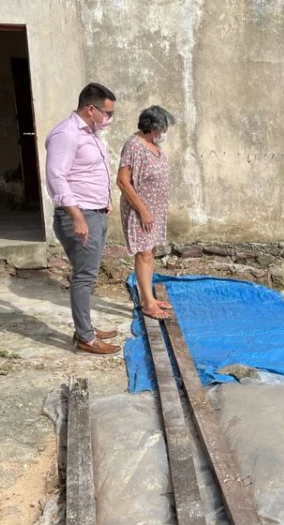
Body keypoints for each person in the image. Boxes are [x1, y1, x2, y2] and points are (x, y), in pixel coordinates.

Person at [45, 83, 121, 355]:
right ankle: (86, 338)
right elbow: (56, 177)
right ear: (91, 109)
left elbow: (90, 172)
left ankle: (85, 327)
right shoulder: (66, 134)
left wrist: (106, 201)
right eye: (107, 113)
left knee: (88, 273)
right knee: (84, 276)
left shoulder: (89, 133)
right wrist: (77, 216)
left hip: (95, 211)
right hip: (79, 214)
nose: (109, 118)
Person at [117, 106, 176, 320]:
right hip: (141, 209)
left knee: (149, 252)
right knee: (144, 253)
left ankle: (147, 297)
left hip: (155, 210)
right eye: (162, 128)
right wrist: (143, 210)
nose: (164, 133)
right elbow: (123, 181)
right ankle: (148, 305)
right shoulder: (134, 146)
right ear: (152, 127)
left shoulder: (151, 144)